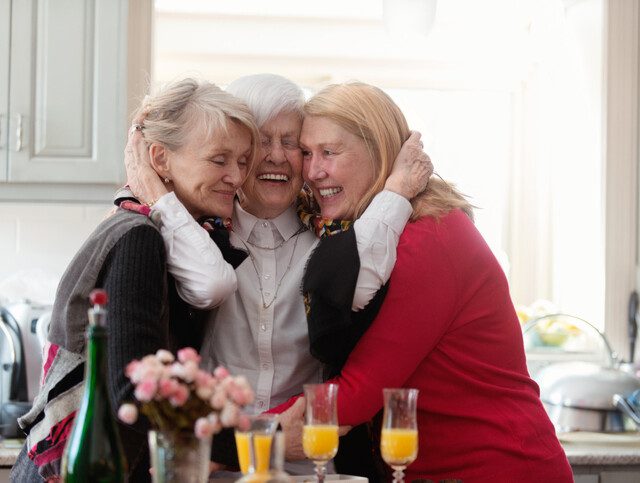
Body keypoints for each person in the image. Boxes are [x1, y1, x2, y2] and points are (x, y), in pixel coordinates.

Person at [124, 73, 432, 475]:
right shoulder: (192, 236)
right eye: (260, 142)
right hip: (214, 468)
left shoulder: (335, 237)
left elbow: (356, 291)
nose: (276, 156)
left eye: (291, 144)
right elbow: (204, 286)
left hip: (314, 470)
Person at [274, 82, 574, 482]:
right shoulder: (364, 233)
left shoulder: (430, 237)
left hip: (499, 467)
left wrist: (225, 435)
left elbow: (359, 394)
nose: (313, 172)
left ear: (380, 150)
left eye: (330, 152)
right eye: (308, 154)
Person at [10, 78, 260, 482]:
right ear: (160, 159)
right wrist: (253, 443)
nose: (235, 176)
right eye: (219, 160)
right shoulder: (140, 239)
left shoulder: (155, 229)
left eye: (243, 161)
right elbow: (134, 393)